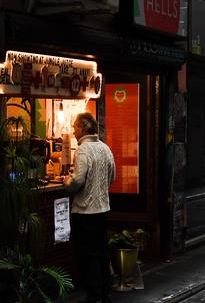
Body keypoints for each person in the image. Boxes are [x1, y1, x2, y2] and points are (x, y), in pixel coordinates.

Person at [63, 112, 116, 303]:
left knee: (88, 254)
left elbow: (77, 181)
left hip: (85, 211)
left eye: (75, 127)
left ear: (83, 128)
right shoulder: (105, 148)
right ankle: (105, 291)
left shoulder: (83, 150)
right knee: (102, 251)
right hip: (103, 209)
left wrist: (67, 181)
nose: (74, 131)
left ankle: (93, 295)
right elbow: (113, 177)